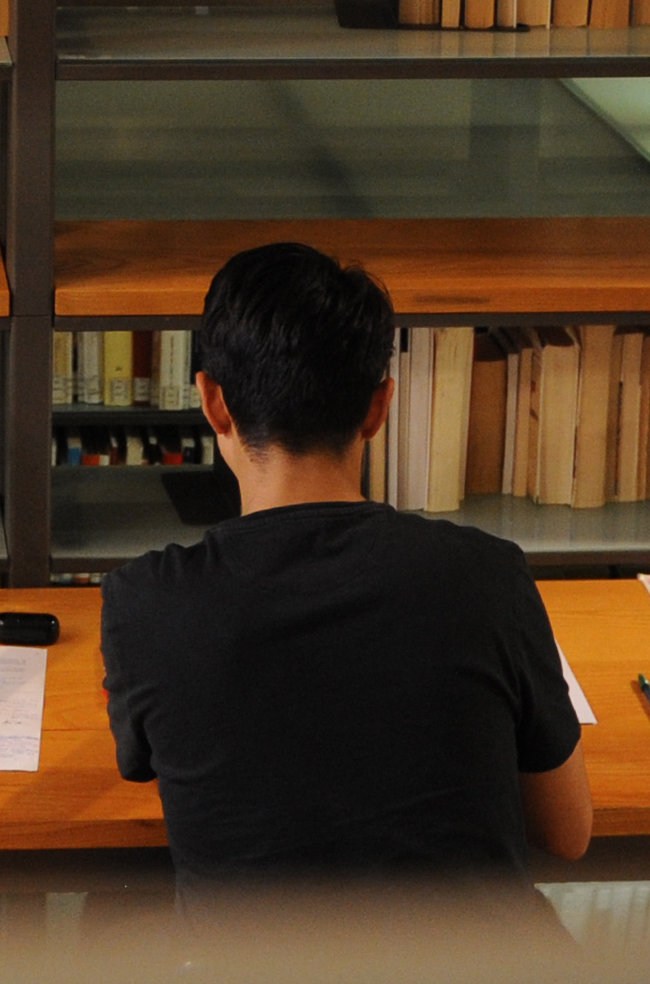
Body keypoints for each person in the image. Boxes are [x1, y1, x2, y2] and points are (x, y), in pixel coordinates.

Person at [99, 241, 593, 907]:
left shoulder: (146, 607)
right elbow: (568, 831)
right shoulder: (487, 577)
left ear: (214, 403)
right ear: (378, 406)